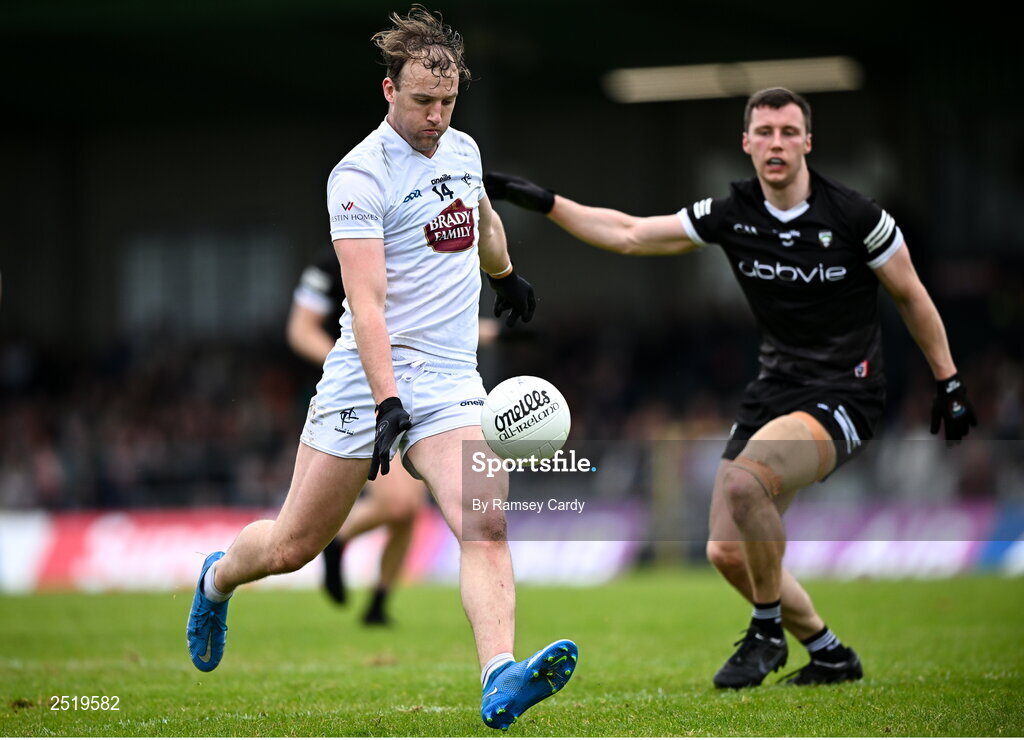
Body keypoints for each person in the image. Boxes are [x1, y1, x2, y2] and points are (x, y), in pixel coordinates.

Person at [484, 87, 976, 688]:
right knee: (726, 551)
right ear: (746, 143)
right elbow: (632, 234)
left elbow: (913, 297)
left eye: (788, 132)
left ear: (807, 143)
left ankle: (766, 634)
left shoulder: (856, 217)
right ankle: (829, 653)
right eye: (764, 132)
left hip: (846, 394)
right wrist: (543, 201)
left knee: (746, 486)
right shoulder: (734, 212)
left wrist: (948, 381)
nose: (776, 143)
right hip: (775, 391)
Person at [188, 6, 578, 730]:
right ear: (388, 90)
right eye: (423, 101)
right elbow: (365, 307)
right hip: (364, 381)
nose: (436, 116)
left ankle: (500, 676)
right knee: (292, 546)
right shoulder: (358, 176)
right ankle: (216, 580)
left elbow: (483, 218)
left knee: (484, 522)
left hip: (454, 385)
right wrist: (386, 402)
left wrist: (505, 275)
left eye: (448, 101)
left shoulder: (461, 147)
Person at [287, 245, 427, 625]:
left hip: (411, 388)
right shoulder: (328, 264)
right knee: (398, 504)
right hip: (356, 394)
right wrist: (358, 361)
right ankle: (337, 537)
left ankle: (379, 603)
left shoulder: (410, 250)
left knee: (409, 509)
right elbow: (301, 330)